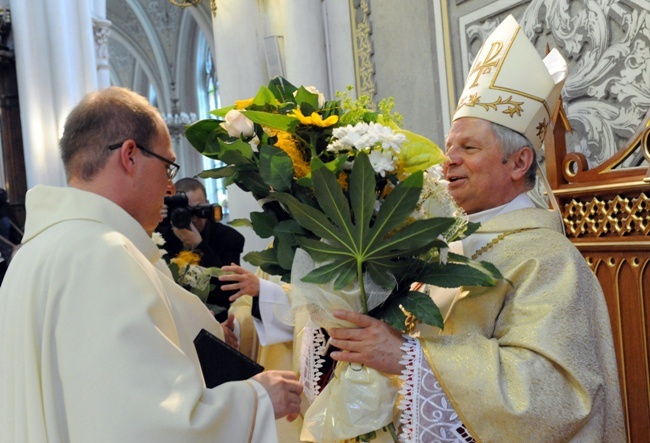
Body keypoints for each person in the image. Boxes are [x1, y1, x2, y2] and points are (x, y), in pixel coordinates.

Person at [327, 16, 625, 442]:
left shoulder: (548, 259)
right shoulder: (446, 246)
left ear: (519, 162)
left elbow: (550, 395)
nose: (449, 161)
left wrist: (409, 358)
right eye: (449, 148)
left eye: (468, 148)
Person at [0, 86, 302, 443]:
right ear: (130, 155)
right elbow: (149, 425)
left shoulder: (32, 253)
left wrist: (204, 342)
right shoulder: (102, 253)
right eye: (168, 166)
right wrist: (258, 399)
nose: (169, 185)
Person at [157, 177, 245, 322]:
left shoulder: (229, 238)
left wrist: (199, 245)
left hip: (218, 320)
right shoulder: (160, 236)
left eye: (198, 209)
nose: (193, 218)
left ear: (208, 206)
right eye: (186, 211)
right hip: (174, 319)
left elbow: (230, 292)